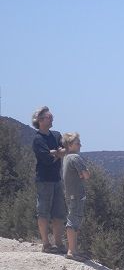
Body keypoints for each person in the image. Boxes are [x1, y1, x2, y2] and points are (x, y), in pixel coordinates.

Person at [32, 106, 67, 253]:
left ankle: (58, 244)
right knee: (43, 212)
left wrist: (54, 153)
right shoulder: (37, 139)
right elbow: (45, 159)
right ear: (40, 120)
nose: (52, 119)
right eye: (49, 117)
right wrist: (55, 154)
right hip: (44, 180)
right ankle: (46, 244)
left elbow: (66, 149)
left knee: (59, 212)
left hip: (57, 179)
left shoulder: (56, 135)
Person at [62, 132, 90, 262]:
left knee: (73, 218)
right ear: (70, 145)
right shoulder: (75, 158)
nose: (80, 145)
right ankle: (72, 251)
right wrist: (84, 174)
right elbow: (86, 175)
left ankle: (73, 250)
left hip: (69, 193)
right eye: (77, 143)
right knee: (73, 220)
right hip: (77, 194)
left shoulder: (66, 157)